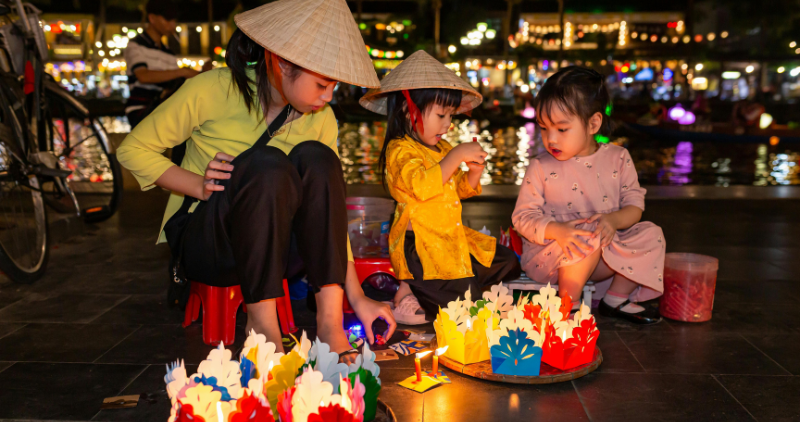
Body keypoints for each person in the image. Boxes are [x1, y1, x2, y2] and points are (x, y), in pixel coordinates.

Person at [116, 0, 395, 362]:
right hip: (211, 244)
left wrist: (357, 298)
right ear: (281, 63)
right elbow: (133, 149)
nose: (328, 97)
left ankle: (329, 322)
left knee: (318, 159)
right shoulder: (214, 89)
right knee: (266, 164)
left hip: (278, 251)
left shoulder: (321, 119)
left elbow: (327, 215)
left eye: (333, 86)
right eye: (322, 84)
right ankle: (262, 327)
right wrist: (197, 183)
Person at [359, 50, 521, 323]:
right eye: (441, 115)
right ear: (408, 110)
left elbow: (458, 188)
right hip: (420, 248)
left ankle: (425, 288)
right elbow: (422, 186)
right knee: (465, 309)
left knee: (508, 261)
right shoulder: (399, 151)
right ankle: (410, 292)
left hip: (449, 241)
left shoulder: (441, 148)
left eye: (450, 116)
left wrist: (474, 173)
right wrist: (456, 155)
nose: (447, 125)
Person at [512, 66, 665, 324]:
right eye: (544, 128)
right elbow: (522, 218)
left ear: (593, 123)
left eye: (561, 129)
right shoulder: (541, 166)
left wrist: (613, 221)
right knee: (586, 233)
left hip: (605, 256)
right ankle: (566, 306)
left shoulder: (618, 158)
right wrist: (557, 230)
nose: (550, 139)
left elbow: (634, 206)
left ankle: (615, 298)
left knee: (651, 234)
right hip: (551, 258)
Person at [124, 0, 209, 130]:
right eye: (168, 19)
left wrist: (202, 74)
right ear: (152, 18)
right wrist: (183, 72)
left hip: (163, 108)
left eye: (174, 20)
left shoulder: (169, 53)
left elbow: (173, 84)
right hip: (141, 109)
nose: (173, 25)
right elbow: (143, 76)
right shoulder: (135, 45)